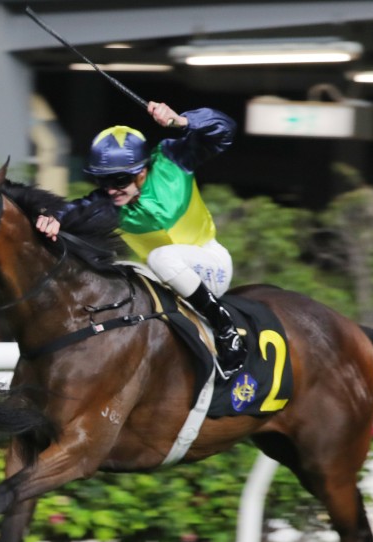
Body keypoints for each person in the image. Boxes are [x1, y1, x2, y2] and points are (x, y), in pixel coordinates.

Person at [36, 101, 245, 377]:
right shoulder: (106, 203)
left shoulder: (173, 159)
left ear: (143, 170)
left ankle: (225, 327)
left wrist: (181, 122)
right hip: (167, 280)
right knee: (125, 276)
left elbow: (225, 129)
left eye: (120, 179)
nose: (111, 190)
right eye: (104, 181)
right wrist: (48, 217)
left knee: (161, 257)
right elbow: (67, 211)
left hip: (211, 266)